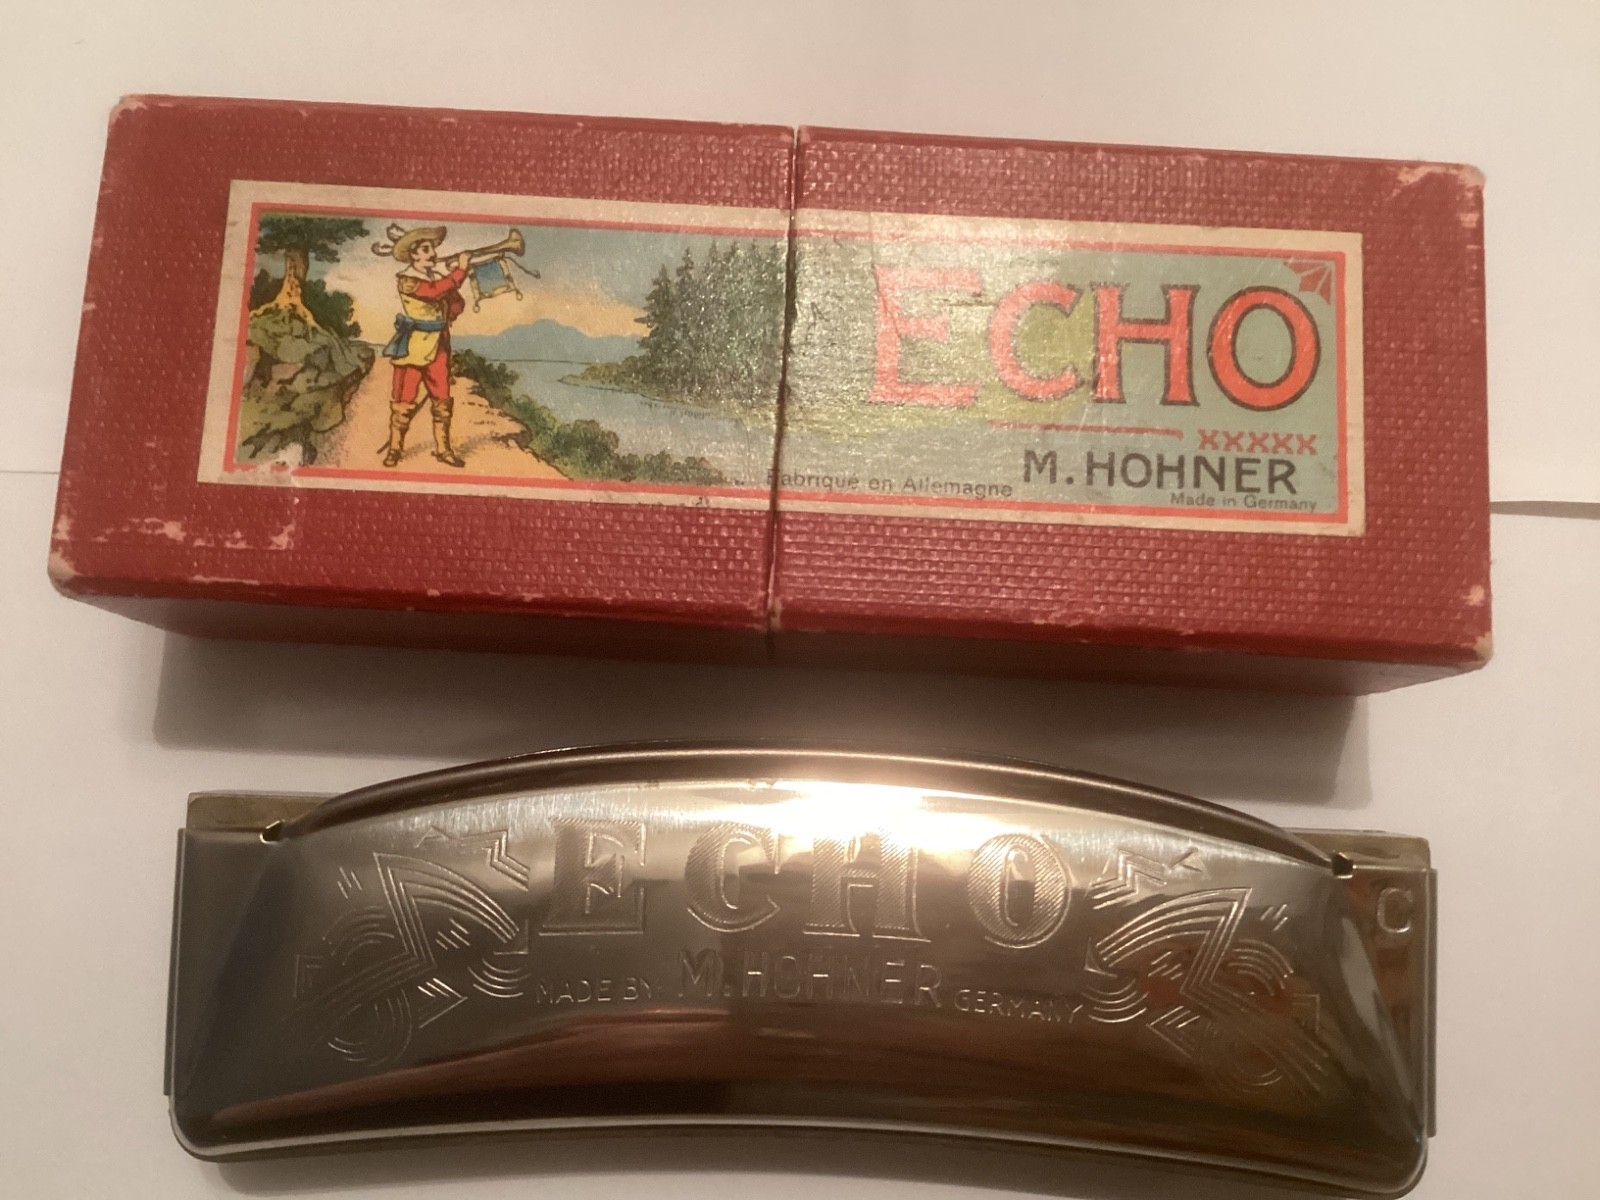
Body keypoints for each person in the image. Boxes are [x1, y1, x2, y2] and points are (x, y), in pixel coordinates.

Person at [379, 226, 471, 467]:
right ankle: (395, 450)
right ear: (413, 254)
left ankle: (444, 450)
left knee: (442, 402)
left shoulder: (438, 278)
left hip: (438, 346)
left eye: (432, 249)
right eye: (426, 249)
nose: (433, 253)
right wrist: (459, 271)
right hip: (412, 348)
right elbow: (432, 292)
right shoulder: (407, 280)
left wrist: (453, 293)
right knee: (403, 401)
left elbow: (457, 305)